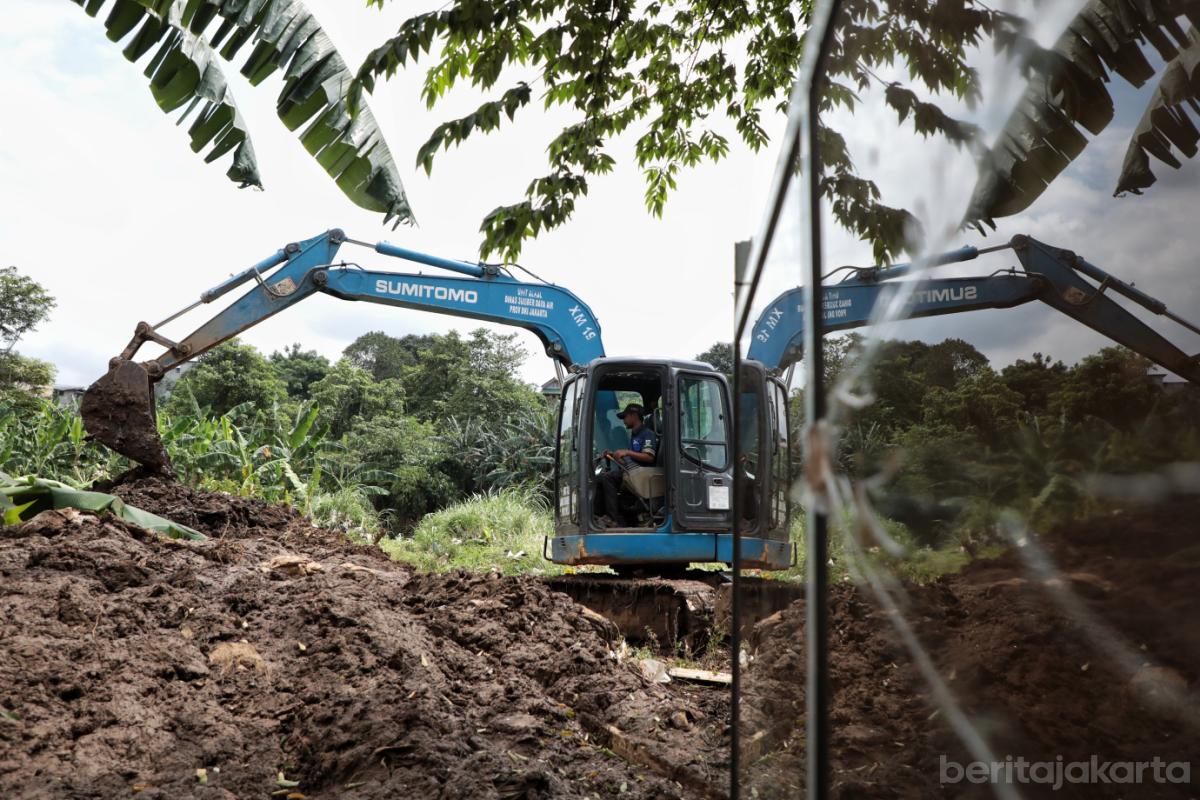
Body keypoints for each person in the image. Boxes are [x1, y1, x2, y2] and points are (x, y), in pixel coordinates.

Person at [595, 403, 658, 528]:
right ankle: (602, 516)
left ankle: (612, 519)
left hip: (643, 474)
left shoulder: (647, 434)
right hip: (634, 472)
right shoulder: (634, 435)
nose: (623, 420)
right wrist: (614, 456)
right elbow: (630, 462)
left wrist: (627, 452)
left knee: (608, 478)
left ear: (634, 416)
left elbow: (649, 457)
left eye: (625, 417)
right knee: (601, 478)